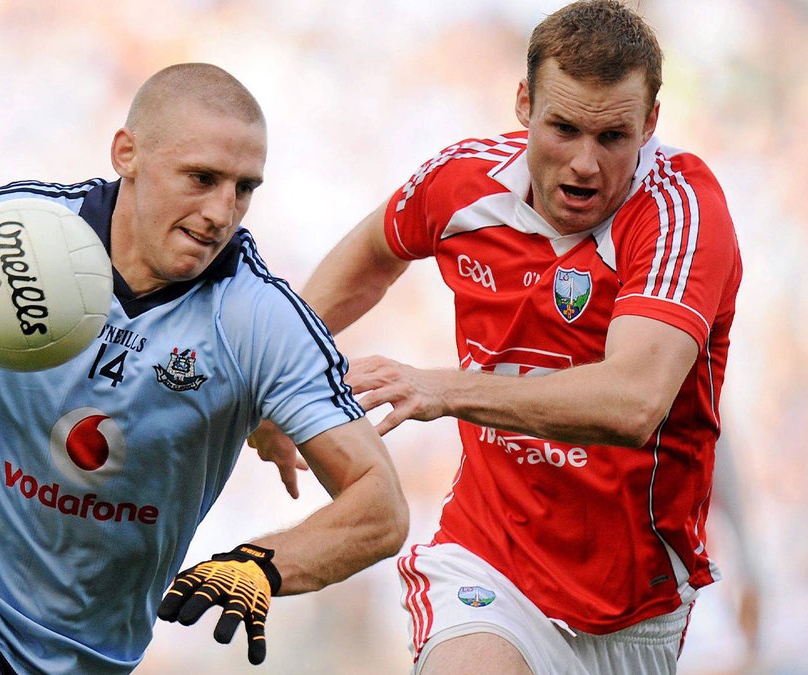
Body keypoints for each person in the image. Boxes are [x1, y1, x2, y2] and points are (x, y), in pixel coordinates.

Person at [0, 63, 408, 674]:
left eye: (244, 188)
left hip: (93, 658)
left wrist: (264, 564)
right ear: (126, 153)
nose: (223, 211)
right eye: (201, 177)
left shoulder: (262, 321)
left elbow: (379, 504)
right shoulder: (14, 233)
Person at [250, 2, 743, 673]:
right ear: (524, 104)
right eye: (563, 128)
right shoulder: (464, 182)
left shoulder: (679, 209)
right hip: (489, 564)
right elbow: (374, 250)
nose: (584, 165)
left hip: (636, 607)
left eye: (612, 137)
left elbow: (634, 401)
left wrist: (442, 389)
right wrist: (279, 377)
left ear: (651, 124)